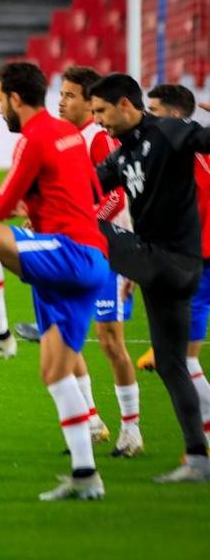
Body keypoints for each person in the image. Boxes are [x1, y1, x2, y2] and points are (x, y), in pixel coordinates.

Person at [0, 61, 112, 501]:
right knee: (56, 372)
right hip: (91, 260)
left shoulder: (34, 138)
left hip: (70, 254)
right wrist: (40, 208)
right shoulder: (68, 133)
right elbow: (92, 194)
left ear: (15, 98)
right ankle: (86, 477)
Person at [12, 67, 141, 456]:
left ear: (90, 102)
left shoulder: (97, 139)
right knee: (67, 338)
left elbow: (115, 196)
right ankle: (91, 421)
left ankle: (131, 429)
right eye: (61, 94)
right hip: (75, 249)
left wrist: (79, 224)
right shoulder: (66, 137)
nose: (61, 102)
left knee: (110, 341)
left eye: (70, 96)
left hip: (108, 251)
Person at [88, 73, 210, 482]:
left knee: (85, 228)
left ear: (125, 104)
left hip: (172, 262)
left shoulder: (169, 131)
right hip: (163, 269)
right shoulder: (123, 154)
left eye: (101, 111)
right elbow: (85, 187)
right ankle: (198, 459)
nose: (97, 120)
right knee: (173, 365)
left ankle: (57, 296)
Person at [141, 84, 210, 448]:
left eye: (154, 110)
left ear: (174, 114)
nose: (148, 116)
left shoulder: (178, 154)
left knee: (184, 362)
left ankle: (201, 447)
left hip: (198, 261)